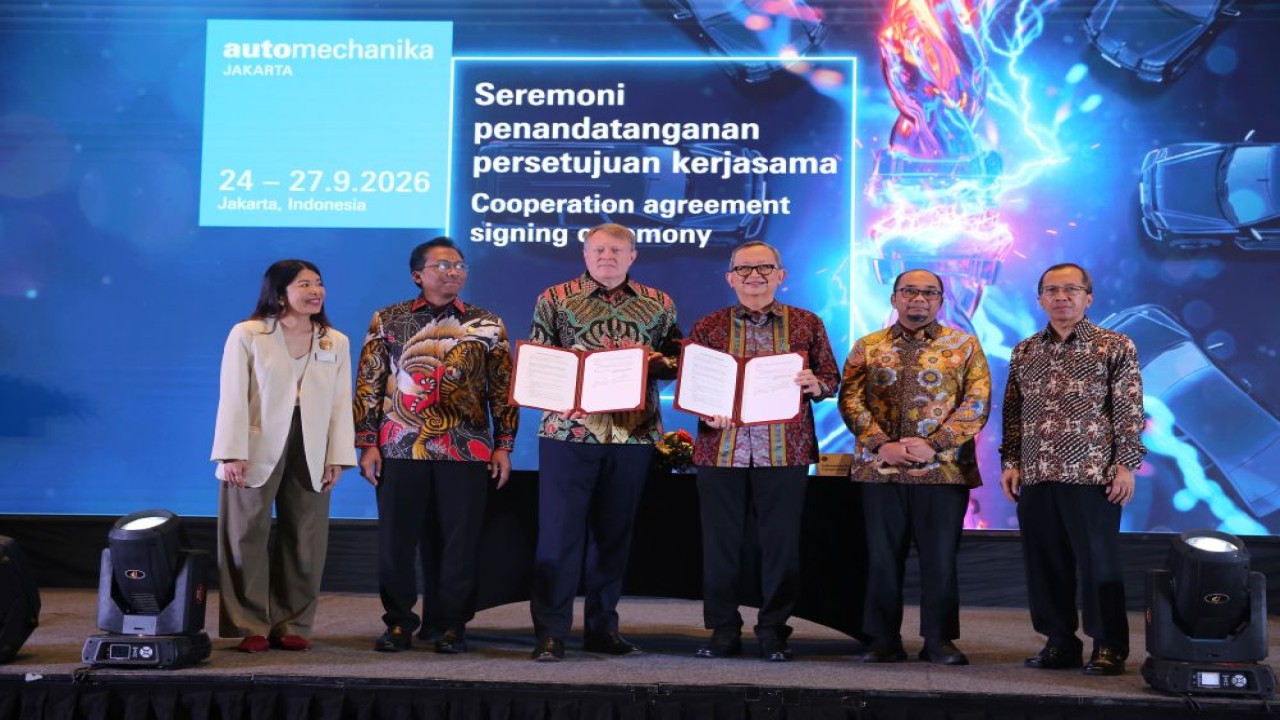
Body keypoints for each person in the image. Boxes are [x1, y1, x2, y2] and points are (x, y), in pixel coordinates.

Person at [354, 237, 517, 654]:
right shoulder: (388, 319)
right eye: (443, 265)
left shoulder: (488, 323)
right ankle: (398, 623)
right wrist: (366, 442)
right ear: (418, 275)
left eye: (460, 265)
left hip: (467, 448)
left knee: (460, 543)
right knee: (397, 540)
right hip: (399, 446)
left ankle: (450, 625)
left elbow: (503, 389)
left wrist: (505, 445)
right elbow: (369, 383)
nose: (454, 272)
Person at [527, 223, 681, 662]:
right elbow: (540, 360)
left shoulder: (659, 303)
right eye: (598, 249)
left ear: (633, 256)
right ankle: (551, 633)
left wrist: (657, 362)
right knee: (558, 536)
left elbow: (676, 359)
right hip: (567, 431)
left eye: (616, 249)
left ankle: (602, 629)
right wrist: (563, 394)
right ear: (585, 254)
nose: (607, 256)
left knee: (614, 536)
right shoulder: (553, 299)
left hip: (632, 434)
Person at [687, 241, 839, 662]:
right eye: (745, 269)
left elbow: (831, 377)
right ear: (730, 277)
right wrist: (705, 410)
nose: (755, 275)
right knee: (720, 544)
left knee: (781, 545)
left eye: (765, 267)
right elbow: (692, 383)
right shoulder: (709, 326)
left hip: (784, 450)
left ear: (781, 275)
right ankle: (722, 628)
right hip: (721, 450)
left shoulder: (807, 323)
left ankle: (773, 628)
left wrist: (816, 384)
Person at [838, 269, 990, 666]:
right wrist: (880, 444)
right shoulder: (867, 347)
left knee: (940, 559)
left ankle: (939, 640)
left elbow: (976, 403)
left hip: (943, 471)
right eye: (909, 292)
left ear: (940, 301)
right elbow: (850, 401)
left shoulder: (965, 346)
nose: (918, 299)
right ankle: (882, 639)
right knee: (882, 558)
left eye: (928, 293)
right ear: (894, 299)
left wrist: (933, 444)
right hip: (879, 469)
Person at [1000, 263, 1146, 676]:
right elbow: (1013, 411)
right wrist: (1011, 462)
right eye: (1051, 290)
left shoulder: (1114, 345)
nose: (1061, 297)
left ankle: (1109, 646)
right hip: (1036, 472)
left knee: (1098, 562)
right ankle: (1059, 642)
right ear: (1040, 298)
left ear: (1088, 297)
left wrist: (1126, 464)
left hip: (1092, 474)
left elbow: (1130, 409)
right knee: (1044, 564)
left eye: (1070, 289)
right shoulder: (1025, 350)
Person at [211, 259, 356, 653]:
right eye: (304, 284)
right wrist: (231, 452)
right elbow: (232, 396)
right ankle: (249, 624)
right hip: (253, 447)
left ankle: (292, 623)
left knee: (307, 539)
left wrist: (337, 457)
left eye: (319, 283)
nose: (315, 291)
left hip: (311, 446)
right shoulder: (249, 333)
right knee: (245, 535)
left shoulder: (335, 341)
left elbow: (342, 404)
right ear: (279, 293)